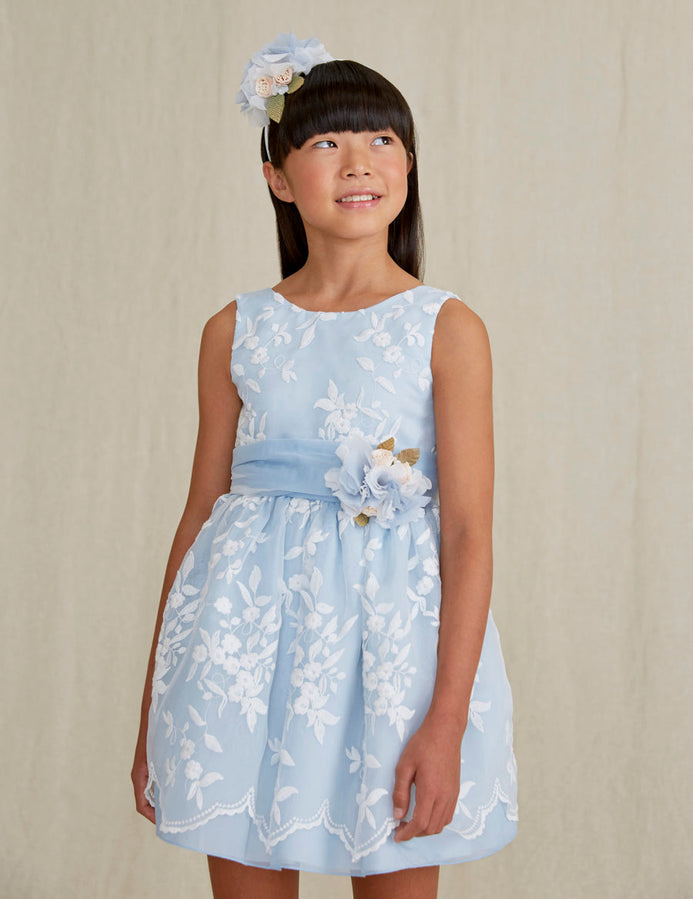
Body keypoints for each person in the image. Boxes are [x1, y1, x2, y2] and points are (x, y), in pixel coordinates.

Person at [131, 33, 518, 899]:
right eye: (325, 142)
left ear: (408, 164)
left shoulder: (445, 328)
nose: (358, 162)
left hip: (390, 664)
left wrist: (446, 718)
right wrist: (156, 703)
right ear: (277, 176)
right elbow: (199, 515)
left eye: (381, 138)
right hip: (238, 655)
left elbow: (466, 531)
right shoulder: (235, 330)